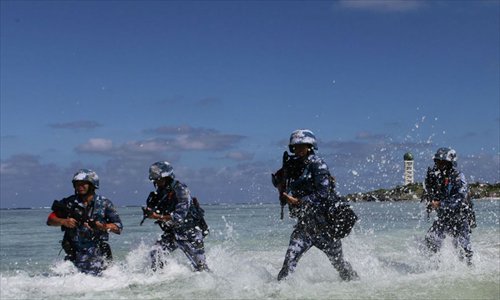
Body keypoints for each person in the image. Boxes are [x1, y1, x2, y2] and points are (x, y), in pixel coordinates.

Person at [275, 129, 358, 281]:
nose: (299, 150)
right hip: (304, 228)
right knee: (287, 266)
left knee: (341, 267)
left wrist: (299, 201)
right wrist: (280, 184)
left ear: (310, 146)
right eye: (296, 147)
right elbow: (278, 180)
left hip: (325, 229)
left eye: (302, 146)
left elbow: (323, 194)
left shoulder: (318, 164)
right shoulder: (292, 165)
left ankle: (357, 286)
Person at [47, 169, 123, 275]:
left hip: (98, 257)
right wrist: (63, 221)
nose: (80, 187)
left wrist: (102, 226)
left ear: (92, 185)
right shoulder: (69, 203)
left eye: (83, 184)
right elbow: (50, 220)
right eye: (77, 184)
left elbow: (118, 228)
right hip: (74, 256)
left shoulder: (104, 203)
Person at [144, 161, 209, 272]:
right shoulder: (160, 192)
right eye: (155, 180)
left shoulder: (181, 189)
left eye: (158, 179)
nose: (156, 182)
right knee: (155, 253)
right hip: (174, 233)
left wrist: (157, 216)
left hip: (191, 232)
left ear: (167, 177)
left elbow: (179, 217)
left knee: (201, 268)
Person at [422, 147, 474, 265]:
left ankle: (470, 270)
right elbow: (431, 194)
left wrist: (440, 204)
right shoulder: (436, 176)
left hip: (460, 217)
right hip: (444, 217)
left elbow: (460, 199)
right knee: (431, 239)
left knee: (463, 248)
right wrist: (429, 201)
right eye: (437, 161)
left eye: (441, 162)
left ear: (449, 163)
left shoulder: (458, 176)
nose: (438, 164)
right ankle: (435, 268)